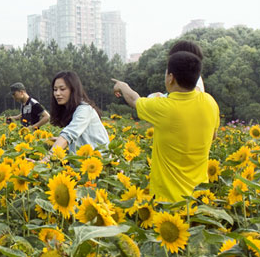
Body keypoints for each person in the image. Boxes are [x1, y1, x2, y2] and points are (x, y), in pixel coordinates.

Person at [112, 48, 220, 202]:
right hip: (200, 197)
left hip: (168, 202)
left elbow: (134, 100)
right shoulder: (210, 102)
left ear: (171, 77)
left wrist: (121, 86)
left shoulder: (164, 107)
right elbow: (214, 136)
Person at [42, 70, 109, 158]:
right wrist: (58, 141)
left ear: (73, 90)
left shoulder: (84, 109)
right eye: (55, 90)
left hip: (100, 163)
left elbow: (68, 135)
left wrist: (44, 161)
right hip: (82, 162)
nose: (57, 93)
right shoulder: (71, 110)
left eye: (62, 89)